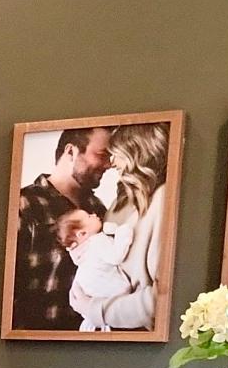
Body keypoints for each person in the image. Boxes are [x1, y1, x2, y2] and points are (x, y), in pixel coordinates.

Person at [68, 122, 171, 331]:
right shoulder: (119, 204)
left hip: (141, 341)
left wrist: (94, 309)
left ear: (138, 152)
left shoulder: (164, 200)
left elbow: (163, 300)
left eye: (116, 153)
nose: (112, 163)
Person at [13, 126, 111, 329]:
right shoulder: (23, 204)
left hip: (91, 346)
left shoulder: (100, 210)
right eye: (102, 155)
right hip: (32, 347)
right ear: (71, 151)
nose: (108, 164)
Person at [53, 207, 135, 331]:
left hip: (90, 298)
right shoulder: (96, 242)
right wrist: (123, 233)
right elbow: (116, 256)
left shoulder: (79, 254)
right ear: (82, 233)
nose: (94, 214)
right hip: (112, 294)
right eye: (89, 216)